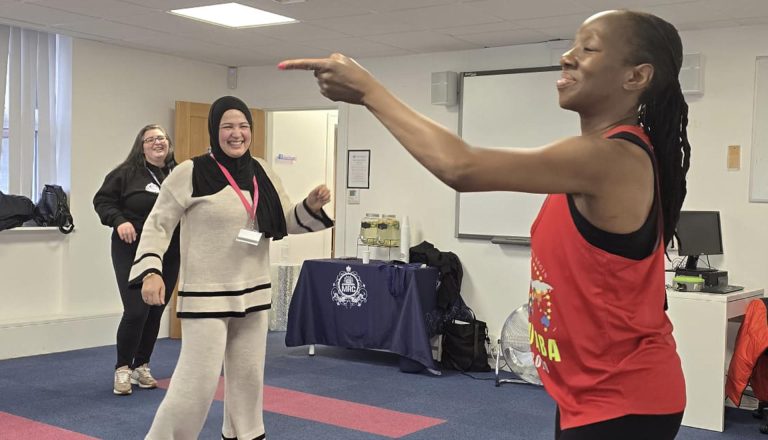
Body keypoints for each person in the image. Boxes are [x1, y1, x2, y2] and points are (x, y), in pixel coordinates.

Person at [279, 9, 689, 440]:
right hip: (589, 393)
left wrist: (368, 91)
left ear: (636, 76)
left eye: (588, 49)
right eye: (572, 45)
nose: (567, 57)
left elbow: (462, 167)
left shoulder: (609, 158)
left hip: (623, 398)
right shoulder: (599, 155)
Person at [128, 96, 333, 440]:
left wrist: (309, 206)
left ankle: (245, 435)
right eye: (227, 127)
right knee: (196, 385)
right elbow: (158, 225)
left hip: (252, 293)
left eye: (242, 127)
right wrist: (151, 270)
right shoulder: (189, 172)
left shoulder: (262, 170)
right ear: (214, 130)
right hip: (206, 297)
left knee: (248, 380)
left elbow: (282, 221)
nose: (236, 134)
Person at [93, 124, 181, 396]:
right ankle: (122, 368)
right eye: (151, 139)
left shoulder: (179, 175)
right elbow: (103, 202)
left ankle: (142, 365)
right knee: (136, 310)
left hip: (169, 250)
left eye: (162, 138)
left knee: (155, 309)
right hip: (131, 248)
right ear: (141, 146)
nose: (158, 142)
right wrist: (119, 221)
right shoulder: (125, 174)